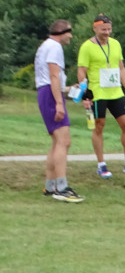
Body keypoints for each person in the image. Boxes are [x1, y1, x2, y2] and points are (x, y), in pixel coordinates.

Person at [77, 13, 125, 176]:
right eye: (103, 29)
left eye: (109, 29)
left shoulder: (115, 44)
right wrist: (85, 95)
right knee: (99, 126)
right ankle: (101, 164)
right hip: (98, 93)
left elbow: (121, 67)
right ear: (95, 28)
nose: (106, 33)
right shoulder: (87, 47)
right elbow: (81, 71)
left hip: (115, 92)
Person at [35, 19, 84, 202]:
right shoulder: (55, 47)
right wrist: (59, 104)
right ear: (62, 32)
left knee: (57, 142)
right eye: (69, 32)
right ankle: (61, 188)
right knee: (64, 141)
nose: (71, 36)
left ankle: (50, 186)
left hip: (46, 92)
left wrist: (68, 89)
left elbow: (49, 78)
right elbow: (53, 76)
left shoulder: (44, 46)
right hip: (50, 94)